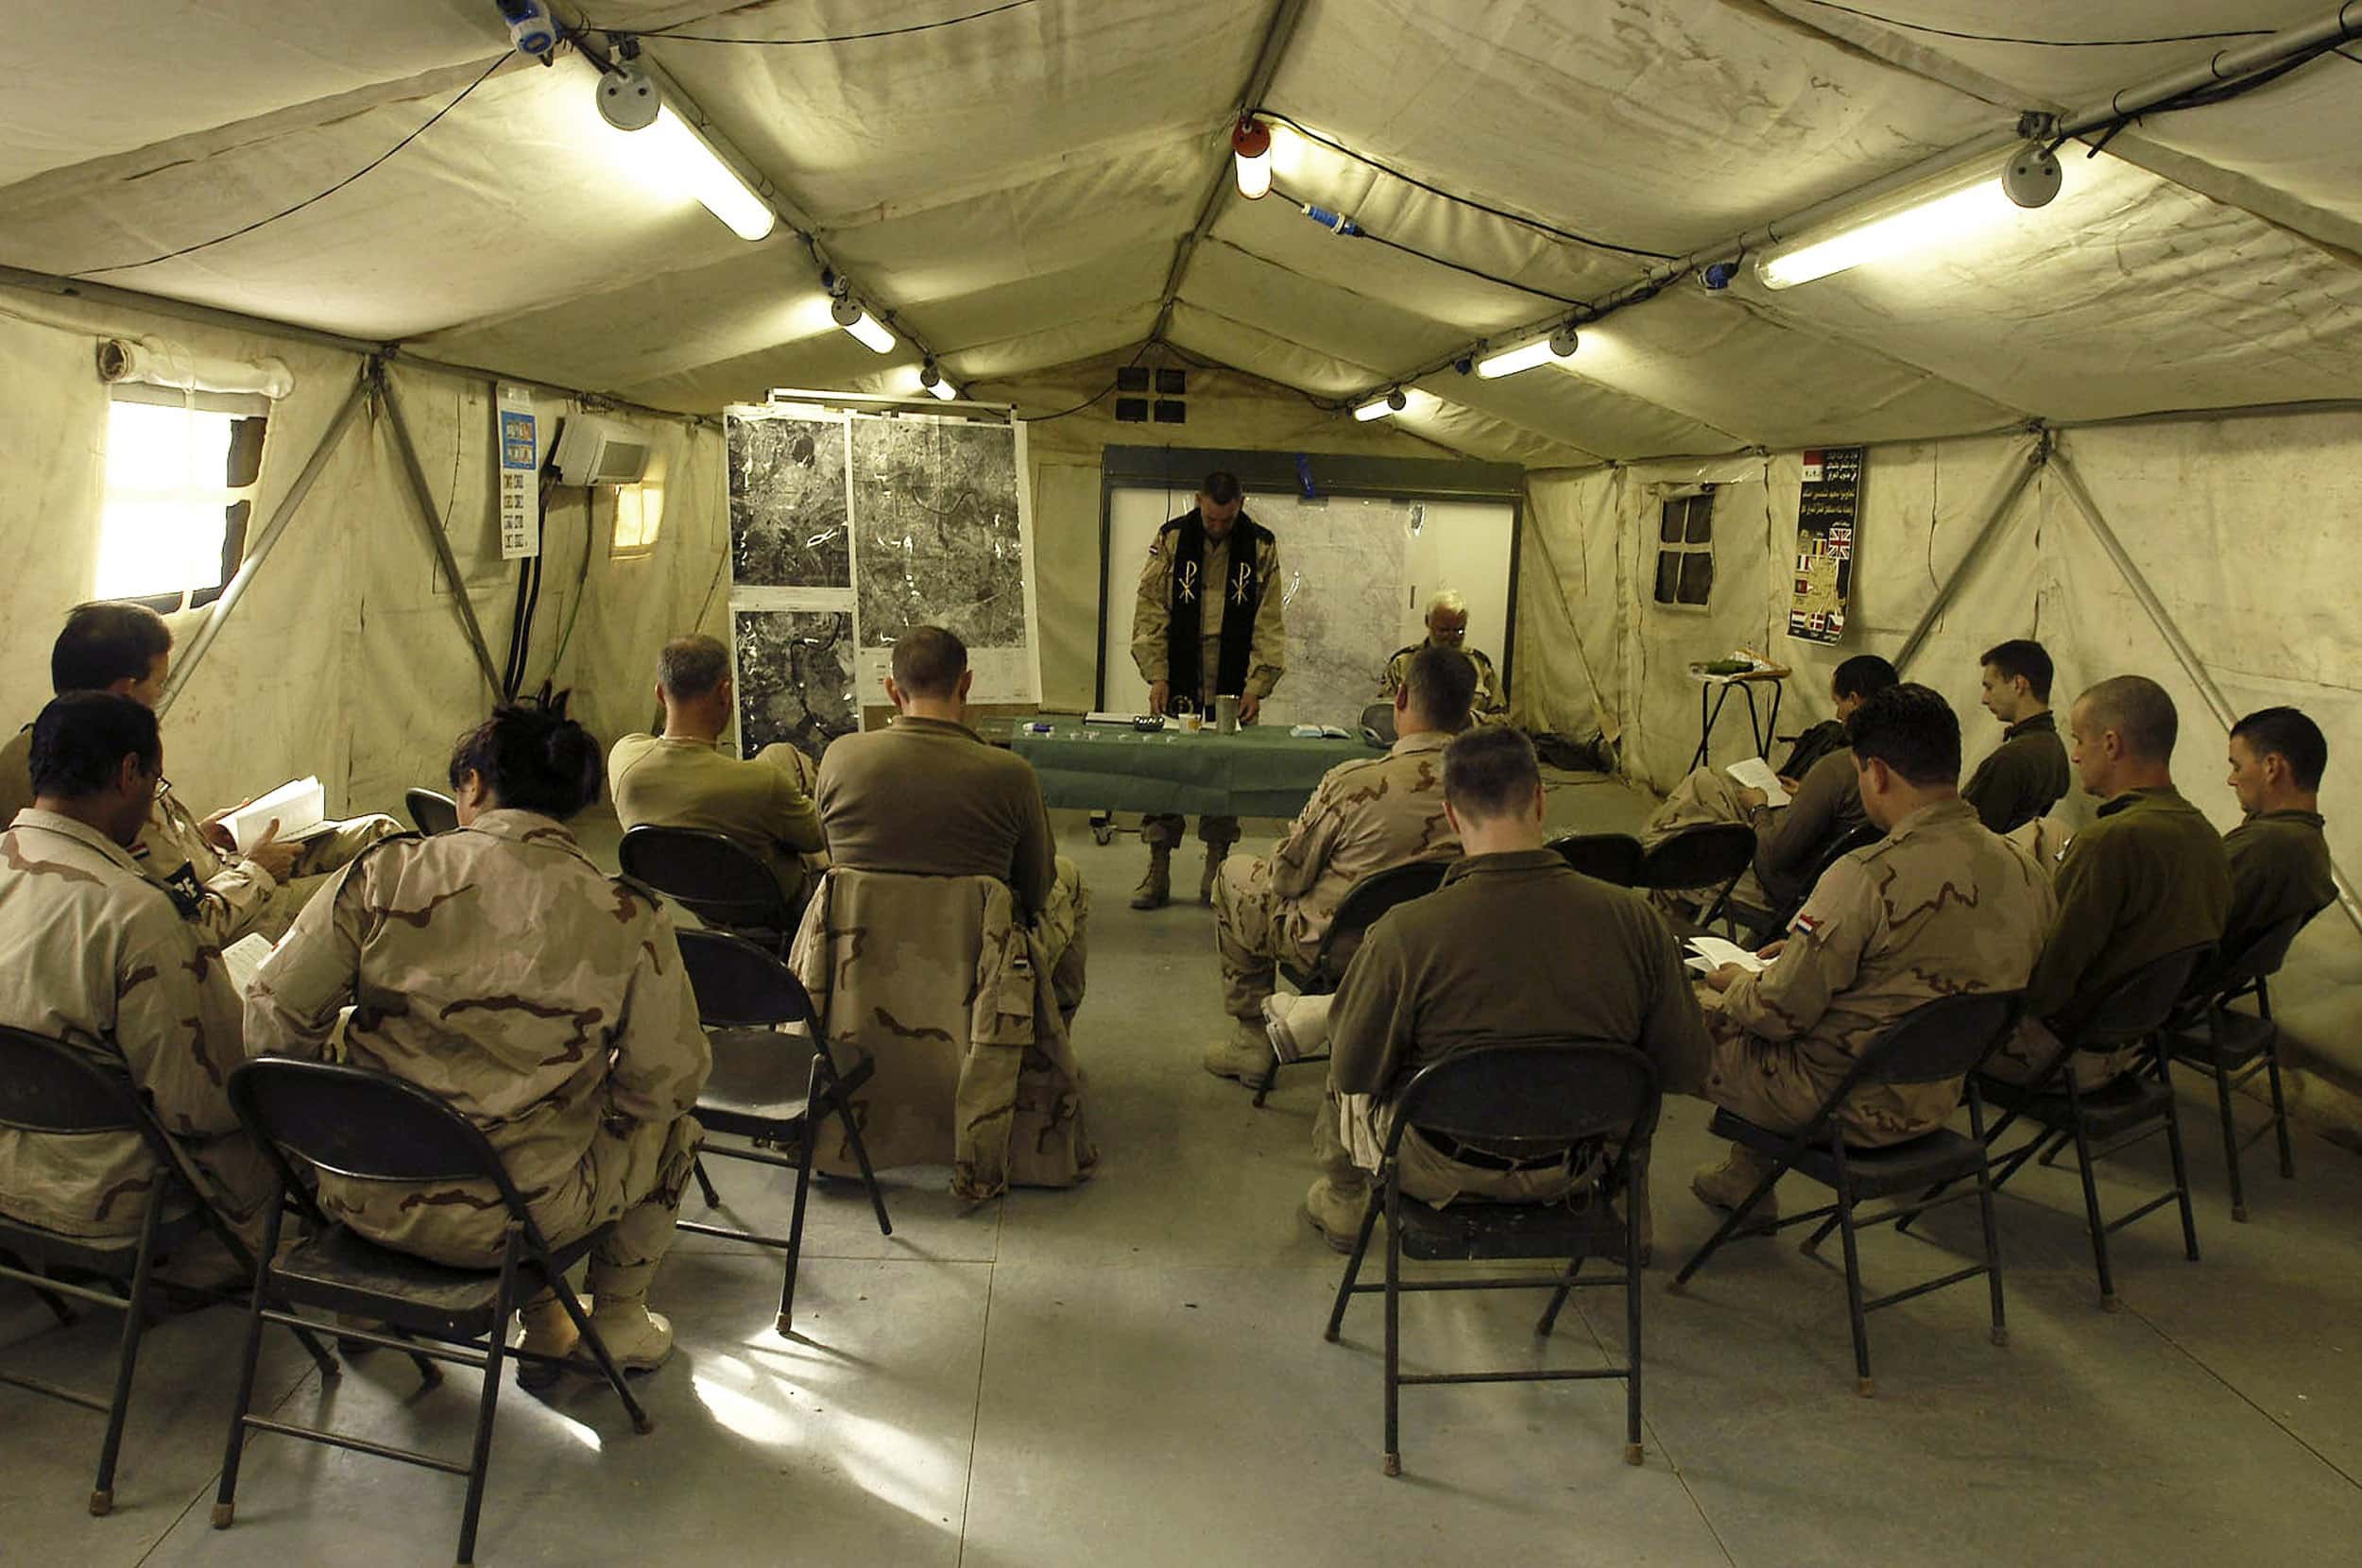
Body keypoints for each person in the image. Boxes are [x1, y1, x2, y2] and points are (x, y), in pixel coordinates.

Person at [248, 704, 708, 1372]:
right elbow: (667, 1083)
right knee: (674, 1129)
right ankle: (615, 1320)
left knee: (353, 1044)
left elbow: (273, 1014)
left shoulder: (384, 873)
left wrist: (326, 1129)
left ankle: (372, 1305)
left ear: (472, 784)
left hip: (356, 1194)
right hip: (519, 1221)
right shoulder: (628, 913)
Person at [1302, 726, 1712, 1251]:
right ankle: (1630, 1220)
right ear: (1540, 801)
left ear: (1452, 816)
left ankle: (1343, 1201)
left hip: (1439, 1166)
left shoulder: (1403, 933)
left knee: (1347, 1034)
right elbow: (1684, 1067)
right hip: (1580, 1165)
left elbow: (1353, 1072)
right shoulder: (1638, 922)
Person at [1688, 684, 2054, 1221]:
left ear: (1876, 773)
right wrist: (1803, 953)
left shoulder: (1867, 876)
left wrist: (1735, 981)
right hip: (1935, 1097)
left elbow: (1776, 1014)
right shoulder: (2027, 870)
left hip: (1838, 1104)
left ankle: (1603, 1196)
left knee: (1660, 1008)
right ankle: (1744, 1178)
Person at [0, 692, 272, 1250]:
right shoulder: (135, 913)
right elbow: (204, 1104)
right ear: (129, 772)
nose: (152, 808)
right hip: (104, 1197)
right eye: (155, 782)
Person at [0, 601, 399, 945]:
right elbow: (189, 921)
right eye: (159, 683)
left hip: (221, 872)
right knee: (382, 880)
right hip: (233, 908)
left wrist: (198, 836)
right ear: (125, 690)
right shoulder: (102, 769)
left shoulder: (48, 744)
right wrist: (257, 871)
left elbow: (160, 855)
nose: (160, 695)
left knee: (378, 834)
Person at [1205, 646, 1474, 1082]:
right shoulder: (1488, 791)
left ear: (1400, 698)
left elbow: (1286, 879)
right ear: (1467, 712)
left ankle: (1252, 1042)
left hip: (1344, 951)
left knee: (1233, 875)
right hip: (1443, 954)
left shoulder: (1353, 783)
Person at [1988, 675, 2231, 1088]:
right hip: (2127, 1047)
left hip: (2058, 1055)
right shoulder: (2205, 835)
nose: (2075, 755)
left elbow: (2045, 987)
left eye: (2080, 740)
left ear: (2112, 744)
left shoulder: (2110, 841)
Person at [814, 624, 1086, 995]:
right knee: (1071, 880)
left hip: (864, 954)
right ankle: (1043, 1026)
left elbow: (830, 855)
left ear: (892, 690)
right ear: (966, 684)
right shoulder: (1011, 775)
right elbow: (1036, 890)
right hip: (979, 964)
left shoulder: (839, 759)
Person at [1128, 470, 1287, 909]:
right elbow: (1150, 607)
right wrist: (1157, 674)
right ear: (1198, 501)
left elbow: (1269, 620)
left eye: (1227, 519)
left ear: (1241, 505)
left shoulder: (1260, 546)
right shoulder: (1173, 539)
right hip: (1179, 669)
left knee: (1223, 772)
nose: (1218, 527)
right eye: (1211, 518)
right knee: (1166, 770)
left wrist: (1257, 685)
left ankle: (1217, 867)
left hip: (1231, 676)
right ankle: (1158, 867)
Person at [1642, 654, 1900, 914]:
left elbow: (1772, 856)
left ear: (1854, 700)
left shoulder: (1839, 767)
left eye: (1838, 703)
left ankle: (1647, 860)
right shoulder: (1902, 763)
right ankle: (1652, 846)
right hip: (1831, 879)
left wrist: (1759, 808)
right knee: (1704, 781)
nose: (1837, 714)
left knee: (1670, 870)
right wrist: (1805, 794)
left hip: (1787, 890)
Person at [608, 634, 825, 905]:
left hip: (698, 899)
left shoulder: (623, 757)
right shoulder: (761, 785)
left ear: (661, 694)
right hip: (782, 904)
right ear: (724, 692)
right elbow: (820, 836)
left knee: (779, 754)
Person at [2220, 705, 2336, 946]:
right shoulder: (2308, 842)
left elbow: (2172, 919)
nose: (2232, 779)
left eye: (2237, 767)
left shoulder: (2265, 844)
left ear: (2271, 767)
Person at [1961, 639, 2071, 833]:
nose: (1984, 699)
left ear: (2018, 684)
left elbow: (1970, 835)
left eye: (1989, 687)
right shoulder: (2055, 748)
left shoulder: (2011, 759)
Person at [1378, 589, 1507, 725]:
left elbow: (1503, 721)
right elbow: (1383, 717)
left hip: (1467, 737)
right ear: (1428, 622)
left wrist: (1471, 720)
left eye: (1459, 631)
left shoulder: (1481, 667)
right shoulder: (1402, 664)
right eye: (1444, 630)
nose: (1451, 638)